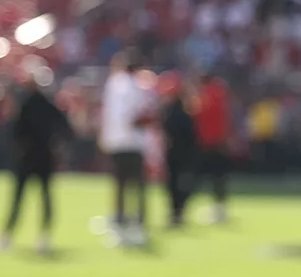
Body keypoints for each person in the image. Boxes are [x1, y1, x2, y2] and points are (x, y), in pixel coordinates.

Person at [0, 72, 74, 254]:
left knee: (19, 199)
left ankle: (7, 236)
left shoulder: (23, 104)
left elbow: (13, 132)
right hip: (45, 157)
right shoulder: (48, 104)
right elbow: (66, 128)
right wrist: (55, 145)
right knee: (45, 197)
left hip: (26, 158)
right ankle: (44, 236)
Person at [99, 51, 154, 247]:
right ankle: (137, 222)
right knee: (136, 186)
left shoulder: (115, 84)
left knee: (120, 185)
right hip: (133, 143)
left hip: (118, 142)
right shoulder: (139, 86)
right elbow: (140, 116)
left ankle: (121, 221)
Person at [159, 72, 198, 228]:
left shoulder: (172, 111)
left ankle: (176, 213)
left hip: (176, 153)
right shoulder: (184, 110)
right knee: (180, 185)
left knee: (174, 186)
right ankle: (177, 213)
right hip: (181, 154)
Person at [195, 74, 232, 224]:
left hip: (209, 142)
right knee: (219, 177)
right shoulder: (221, 95)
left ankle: (217, 210)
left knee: (212, 177)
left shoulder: (207, 96)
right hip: (220, 141)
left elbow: (201, 117)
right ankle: (220, 208)